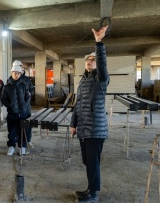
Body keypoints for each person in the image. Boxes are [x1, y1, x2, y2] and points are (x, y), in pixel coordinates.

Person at [70, 25, 109, 203]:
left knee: (92, 163)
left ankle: (94, 193)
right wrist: (73, 124)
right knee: (87, 161)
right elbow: (77, 104)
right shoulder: (83, 81)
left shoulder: (101, 80)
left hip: (96, 129)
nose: (90, 62)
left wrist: (98, 43)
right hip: (84, 129)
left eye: (93, 60)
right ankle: (89, 188)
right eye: (88, 60)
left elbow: (102, 66)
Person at [1, 65, 31, 156]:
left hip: (23, 113)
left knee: (23, 131)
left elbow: (28, 96)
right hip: (12, 113)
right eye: (15, 73)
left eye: (18, 73)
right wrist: (9, 106)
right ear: (11, 73)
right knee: (12, 131)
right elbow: (3, 99)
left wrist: (25, 106)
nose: (16, 75)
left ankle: (22, 147)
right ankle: (11, 147)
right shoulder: (7, 86)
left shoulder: (24, 85)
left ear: (20, 74)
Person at [11, 60, 34, 149]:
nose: (21, 68)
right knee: (15, 125)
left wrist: (28, 97)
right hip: (15, 108)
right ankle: (17, 141)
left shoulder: (27, 79)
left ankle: (28, 140)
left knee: (27, 124)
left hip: (26, 107)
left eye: (21, 66)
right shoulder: (11, 80)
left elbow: (31, 90)